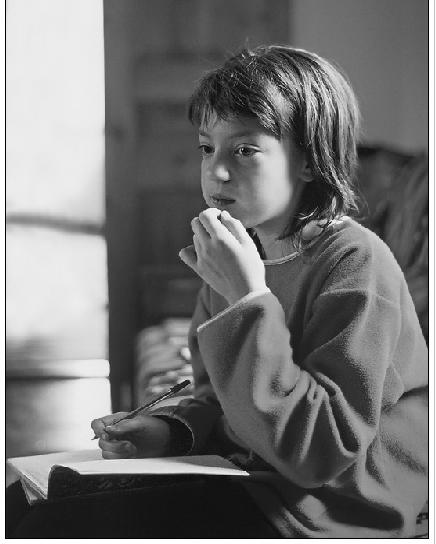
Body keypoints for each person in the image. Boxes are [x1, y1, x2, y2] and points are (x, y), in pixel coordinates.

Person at [6, 45, 428, 538]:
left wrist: (248, 300)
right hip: (254, 476)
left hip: (328, 507)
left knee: (58, 523)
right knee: (22, 499)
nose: (216, 171)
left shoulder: (356, 263)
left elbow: (316, 453)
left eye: (245, 150)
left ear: (310, 161)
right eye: (208, 148)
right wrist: (169, 431)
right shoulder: (240, 252)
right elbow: (221, 397)